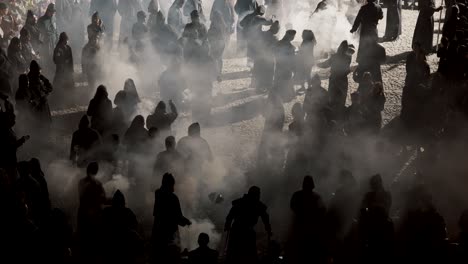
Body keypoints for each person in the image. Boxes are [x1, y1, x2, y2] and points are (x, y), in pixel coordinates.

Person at [225, 186, 272, 264]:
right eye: (258, 194)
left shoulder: (242, 202)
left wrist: (228, 224)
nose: (259, 196)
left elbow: (230, 215)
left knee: (238, 253)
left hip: (239, 230)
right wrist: (268, 229)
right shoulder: (255, 204)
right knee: (242, 254)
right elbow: (231, 215)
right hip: (242, 231)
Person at [152, 173, 191, 263]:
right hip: (169, 231)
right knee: (171, 256)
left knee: (158, 256)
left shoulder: (158, 193)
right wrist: (186, 221)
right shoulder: (173, 198)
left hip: (158, 230)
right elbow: (177, 216)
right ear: (170, 184)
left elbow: (156, 213)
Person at [288, 175, 327, 264]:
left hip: (303, 227)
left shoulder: (297, 195)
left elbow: (292, 206)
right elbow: (323, 210)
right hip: (308, 228)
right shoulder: (316, 197)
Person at [102, 190, 142, 264]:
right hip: (124, 246)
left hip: (110, 245)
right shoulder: (127, 211)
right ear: (123, 201)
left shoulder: (106, 211)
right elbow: (135, 225)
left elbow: (101, 225)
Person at [77, 162, 107, 263]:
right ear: (96, 171)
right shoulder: (97, 184)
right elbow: (102, 199)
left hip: (83, 214)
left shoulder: (81, 182)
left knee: (83, 241)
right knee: (92, 241)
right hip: (93, 216)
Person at [318, 40, 352, 116]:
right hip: (342, 79)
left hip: (334, 79)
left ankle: (331, 114)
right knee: (342, 98)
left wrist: (317, 64)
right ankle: (340, 114)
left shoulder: (334, 57)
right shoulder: (348, 57)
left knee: (332, 97)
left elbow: (325, 64)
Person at [401, 42, 430, 128]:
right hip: (411, 80)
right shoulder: (410, 56)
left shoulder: (424, 64)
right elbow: (407, 68)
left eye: (416, 47)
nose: (415, 49)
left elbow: (427, 75)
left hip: (418, 83)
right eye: (414, 47)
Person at [254, 20, 279, 93]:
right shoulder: (274, 38)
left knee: (260, 73)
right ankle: (265, 87)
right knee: (268, 73)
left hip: (259, 57)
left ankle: (259, 87)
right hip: (268, 59)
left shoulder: (263, 34)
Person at [27, 60, 53, 130]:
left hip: (41, 104)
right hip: (39, 106)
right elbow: (48, 89)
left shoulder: (36, 78)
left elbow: (50, 88)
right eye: (38, 70)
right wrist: (45, 93)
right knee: (42, 125)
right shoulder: (33, 80)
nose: (39, 72)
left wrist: (43, 79)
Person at [273, 29, 296, 102]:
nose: (293, 37)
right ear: (290, 36)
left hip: (279, 65)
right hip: (286, 67)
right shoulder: (290, 46)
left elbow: (275, 53)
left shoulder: (278, 43)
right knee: (286, 80)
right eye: (293, 36)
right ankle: (285, 96)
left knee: (278, 80)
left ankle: (276, 95)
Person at [37, 3, 58, 73]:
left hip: (53, 42)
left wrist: (57, 40)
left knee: (54, 58)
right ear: (48, 11)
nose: (52, 14)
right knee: (47, 59)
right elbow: (39, 34)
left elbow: (55, 31)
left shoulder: (54, 19)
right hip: (46, 43)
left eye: (53, 12)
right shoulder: (41, 20)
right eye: (51, 12)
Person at [207, 10, 227, 76]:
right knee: (219, 58)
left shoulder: (214, 24)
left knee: (214, 58)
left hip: (216, 43)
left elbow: (210, 33)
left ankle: (216, 73)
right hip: (222, 43)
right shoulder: (223, 24)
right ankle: (219, 72)